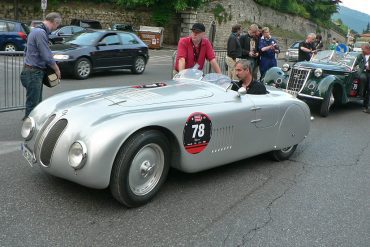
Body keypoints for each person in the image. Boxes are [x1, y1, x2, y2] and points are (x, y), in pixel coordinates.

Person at [21, 12, 62, 120]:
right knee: (34, 104)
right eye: (57, 25)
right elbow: (46, 55)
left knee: (35, 103)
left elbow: (27, 51)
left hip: (31, 71)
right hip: (33, 72)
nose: (56, 28)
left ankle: (31, 123)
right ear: (55, 22)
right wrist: (57, 69)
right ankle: (29, 127)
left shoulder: (35, 31)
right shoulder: (40, 33)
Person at [361, 43, 370, 113]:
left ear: (367, 49)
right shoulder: (362, 55)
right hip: (366, 73)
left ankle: (368, 107)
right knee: (367, 89)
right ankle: (365, 105)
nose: (362, 51)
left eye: (363, 49)